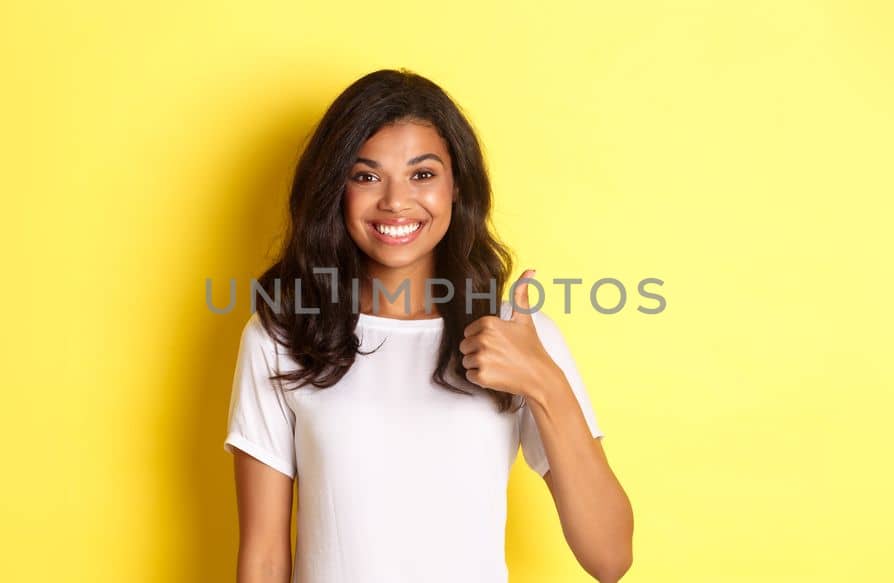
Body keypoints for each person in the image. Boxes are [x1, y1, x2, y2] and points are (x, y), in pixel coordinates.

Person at [222, 68, 633, 582]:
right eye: (366, 175)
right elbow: (263, 558)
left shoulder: (517, 336)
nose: (395, 201)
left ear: (457, 186)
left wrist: (543, 382)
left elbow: (610, 557)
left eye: (422, 174)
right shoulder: (282, 337)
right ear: (336, 190)